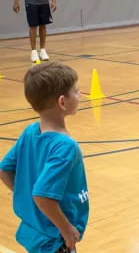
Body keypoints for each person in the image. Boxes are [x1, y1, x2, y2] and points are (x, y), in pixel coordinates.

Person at [0, 62, 89, 252]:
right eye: (77, 91)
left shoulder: (31, 131)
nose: (81, 95)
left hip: (35, 232)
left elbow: (4, 168)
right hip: (55, 240)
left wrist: (21, 192)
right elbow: (42, 195)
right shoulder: (65, 146)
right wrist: (66, 229)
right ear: (62, 102)